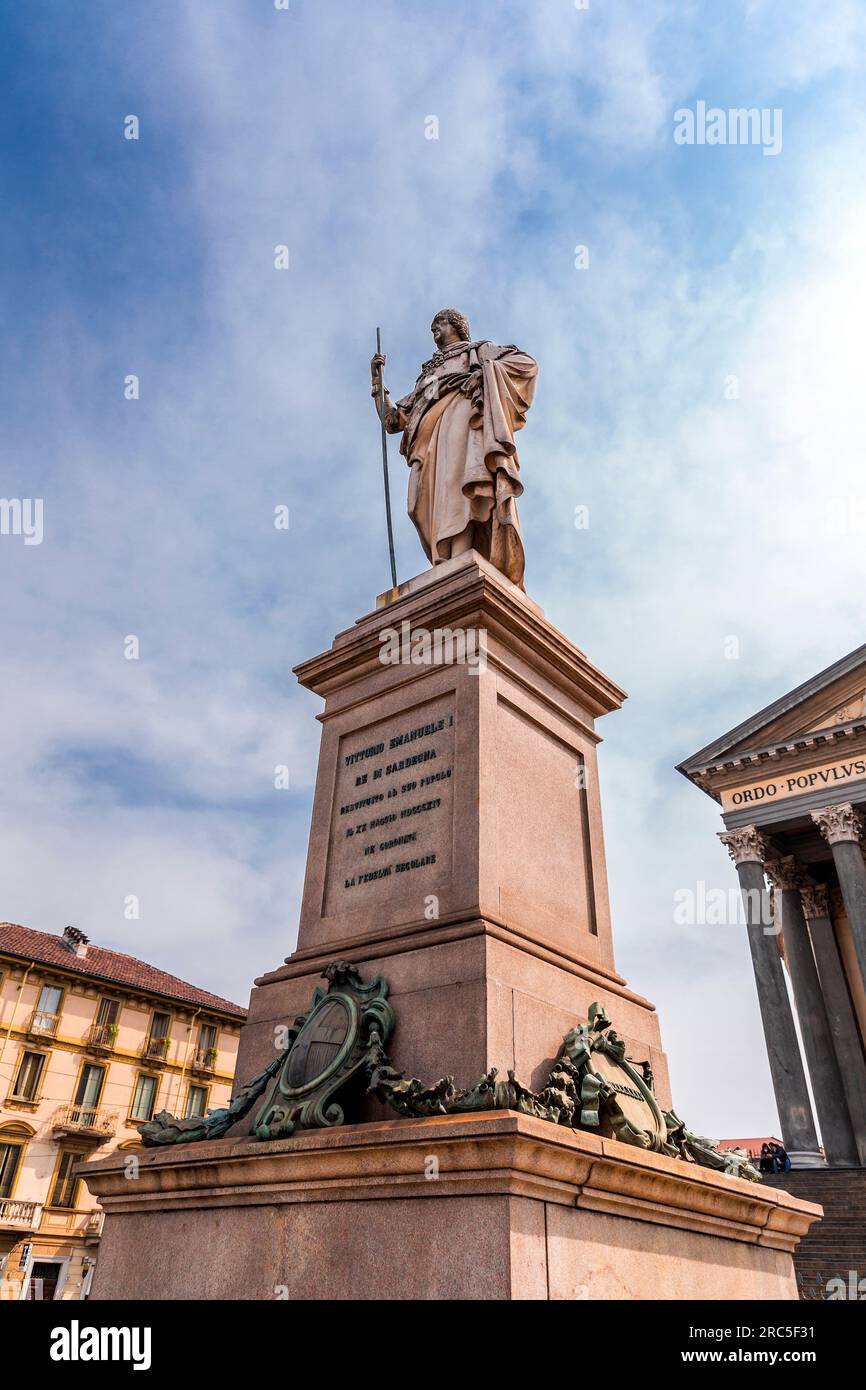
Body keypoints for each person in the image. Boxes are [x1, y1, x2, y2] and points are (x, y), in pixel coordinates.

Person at [371, 309, 537, 589]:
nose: (434, 329)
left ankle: (460, 557)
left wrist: (485, 375)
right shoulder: (428, 375)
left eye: (440, 323)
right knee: (426, 502)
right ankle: (446, 562)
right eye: (432, 325)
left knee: (460, 488)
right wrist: (378, 385)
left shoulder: (478, 351)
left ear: (457, 326)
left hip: (460, 421)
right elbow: (393, 421)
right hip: (426, 444)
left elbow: (525, 364)